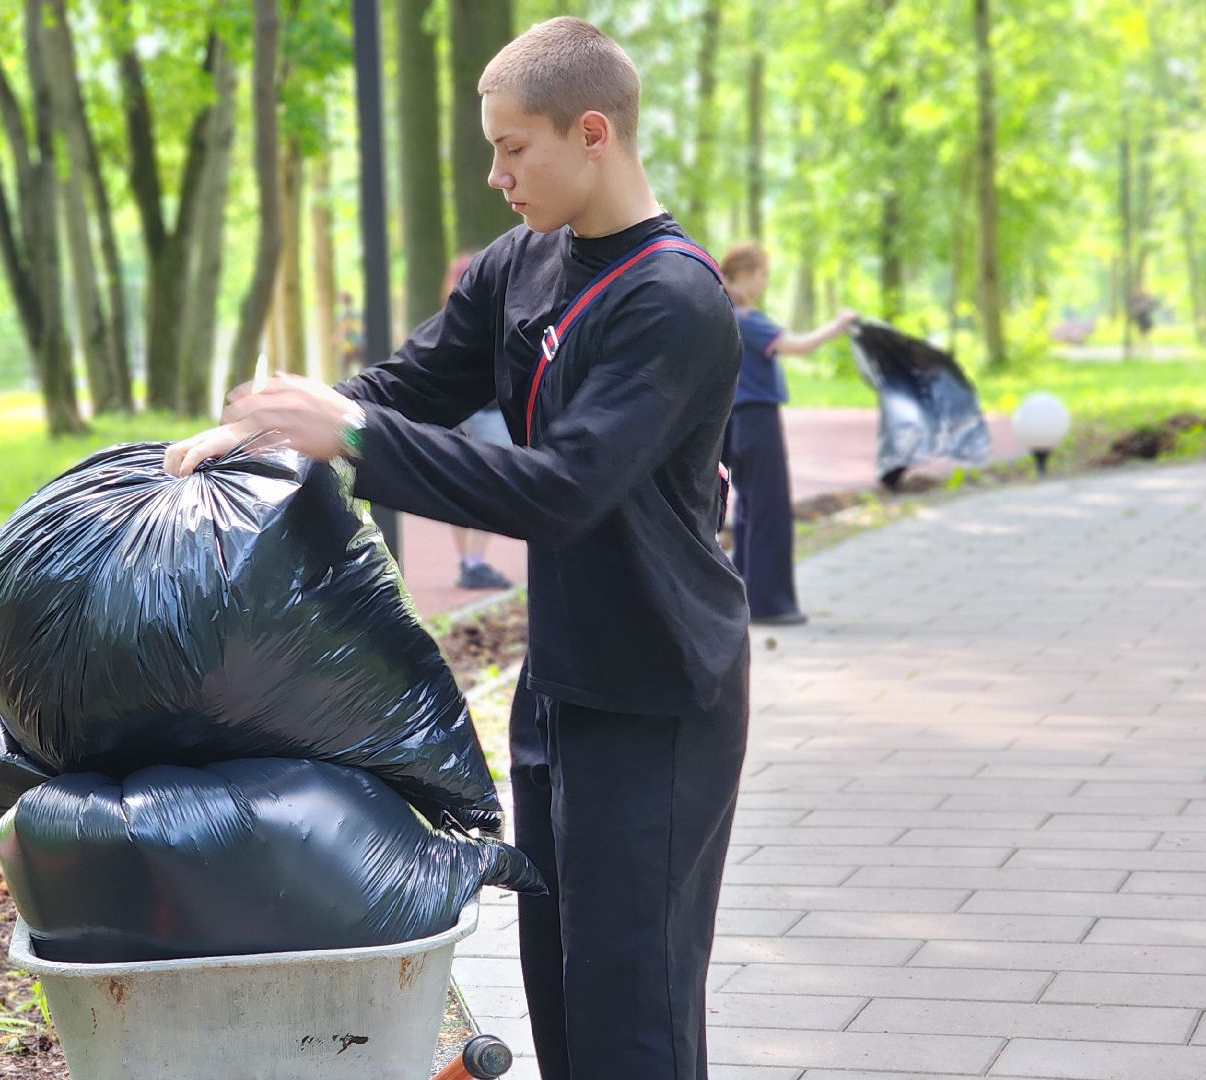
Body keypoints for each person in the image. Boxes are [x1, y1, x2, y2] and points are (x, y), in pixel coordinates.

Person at [167, 18, 748, 1079]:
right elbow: (414, 382)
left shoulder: (673, 300)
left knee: (635, 1004)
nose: (495, 175)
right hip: (562, 680)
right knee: (564, 985)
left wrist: (352, 435)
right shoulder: (519, 266)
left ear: (591, 135)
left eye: (513, 150)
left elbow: (565, 487)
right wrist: (279, 420)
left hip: (659, 692)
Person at [716, 243, 855, 627]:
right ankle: (770, 603)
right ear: (742, 274)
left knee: (749, 511)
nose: (763, 283)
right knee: (769, 510)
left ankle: (745, 594)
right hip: (758, 420)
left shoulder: (722, 313)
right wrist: (838, 325)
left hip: (736, 423)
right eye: (761, 275)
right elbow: (798, 346)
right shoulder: (747, 318)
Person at [443, 250, 515, 590]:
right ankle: (474, 563)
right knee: (493, 482)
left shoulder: (448, 317)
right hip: (484, 411)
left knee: (458, 483)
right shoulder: (490, 314)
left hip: (452, 411)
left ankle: (467, 561)